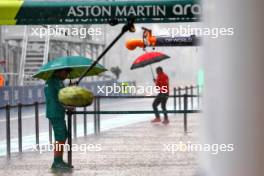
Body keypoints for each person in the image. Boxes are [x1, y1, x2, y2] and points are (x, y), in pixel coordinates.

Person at [44, 68, 72, 171]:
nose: (66, 75)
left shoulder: (55, 81)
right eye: (66, 73)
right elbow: (58, 98)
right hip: (55, 112)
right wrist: (66, 107)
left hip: (57, 112)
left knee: (63, 135)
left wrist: (69, 88)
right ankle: (56, 162)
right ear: (60, 71)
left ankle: (59, 160)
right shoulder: (54, 82)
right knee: (60, 136)